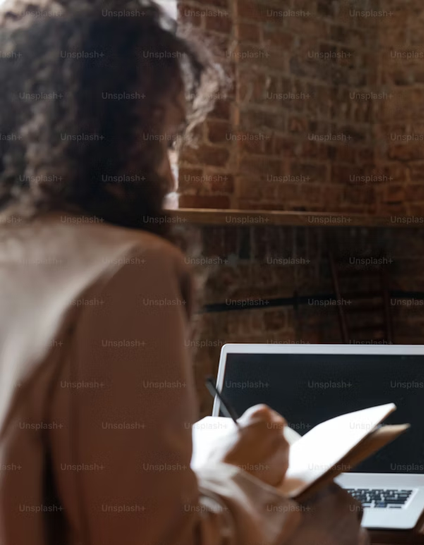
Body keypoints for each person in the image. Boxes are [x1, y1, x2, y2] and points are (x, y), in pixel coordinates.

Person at [0, 2, 367, 544]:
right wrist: (239, 473)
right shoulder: (126, 271)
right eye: (161, 142)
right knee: (331, 510)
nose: (169, 170)